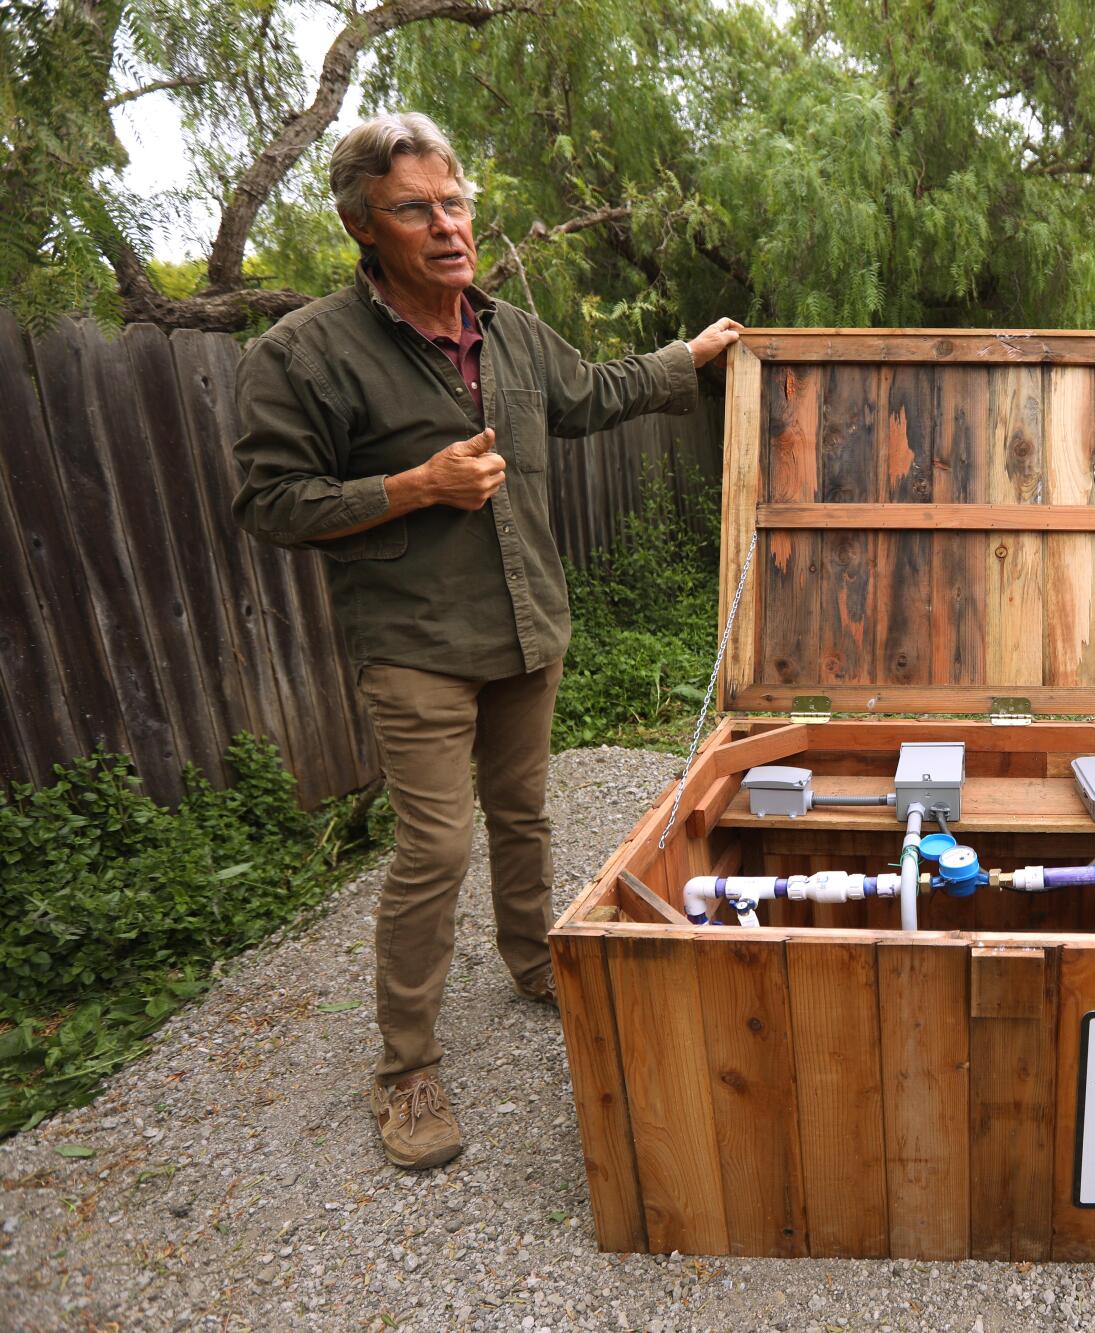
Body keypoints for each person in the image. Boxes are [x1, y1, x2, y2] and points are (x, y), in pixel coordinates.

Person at [232, 111, 742, 1170]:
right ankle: (405, 1068)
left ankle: (530, 964)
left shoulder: (506, 331)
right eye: (416, 208)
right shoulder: (304, 354)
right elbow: (270, 503)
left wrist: (686, 357)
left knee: (523, 812)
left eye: (455, 203)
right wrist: (413, 486)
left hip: (525, 623)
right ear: (362, 225)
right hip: (412, 640)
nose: (447, 225)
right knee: (434, 846)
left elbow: (591, 394)